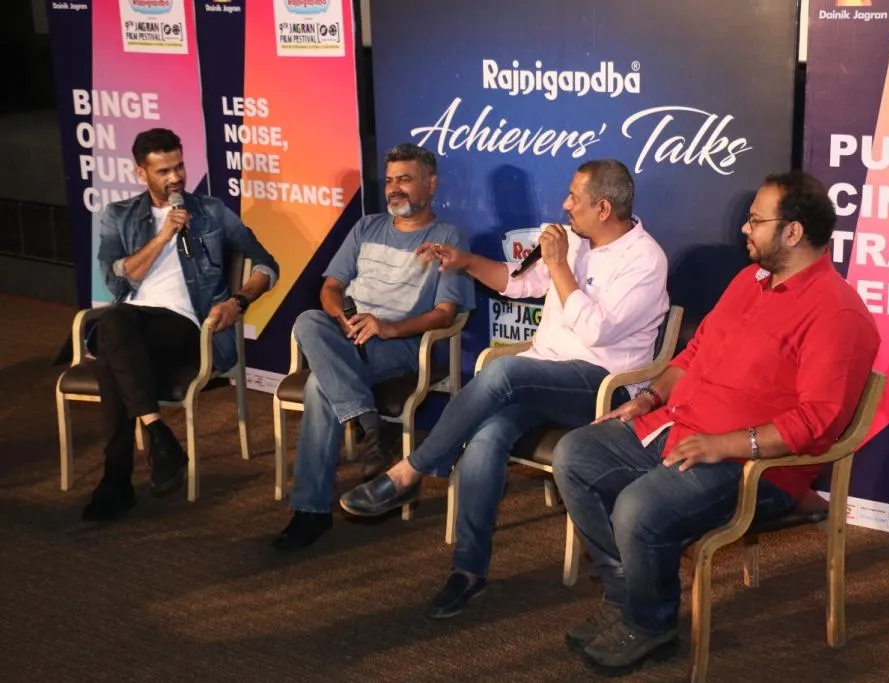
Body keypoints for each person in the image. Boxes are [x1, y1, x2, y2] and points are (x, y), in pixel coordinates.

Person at [550, 170, 881, 673]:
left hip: (757, 466)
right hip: (679, 427)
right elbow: (695, 351)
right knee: (575, 455)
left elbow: (817, 422)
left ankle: (651, 624)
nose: (744, 230)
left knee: (639, 506)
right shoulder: (749, 280)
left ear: (792, 232)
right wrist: (650, 397)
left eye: (755, 221)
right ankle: (625, 597)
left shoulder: (838, 313)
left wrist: (724, 445)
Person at [340, 159, 671, 619]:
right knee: (486, 438)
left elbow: (597, 333)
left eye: (574, 198)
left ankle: (409, 472)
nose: (564, 205)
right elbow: (518, 285)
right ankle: (468, 571)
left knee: (502, 372)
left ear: (604, 207)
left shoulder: (646, 260)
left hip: (603, 385)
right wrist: (467, 262)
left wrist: (560, 265)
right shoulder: (575, 238)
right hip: (545, 376)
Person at [272, 143, 476, 551]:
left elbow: (444, 314)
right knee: (308, 319)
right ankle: (369, 423)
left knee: (318, 387)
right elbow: (330, 287)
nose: (394, 189)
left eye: (405, 179)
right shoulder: (365, 227)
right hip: (348, 336)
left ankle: (311, 511)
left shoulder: (446, 237)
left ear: (430, 184)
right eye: (389, 181)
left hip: (397, 346)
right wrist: (342, 317)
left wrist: (387, 327)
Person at [85, 128, 279, 522]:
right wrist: (163, 235)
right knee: (115, 332)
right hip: (134, 326)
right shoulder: (117, 216)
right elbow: (117, 281)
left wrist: (238, 301)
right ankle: (151, 445)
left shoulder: (211, 211)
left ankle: (120, 476)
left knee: (111, 331)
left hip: (189, 327)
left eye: (179, 167)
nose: (175, 178)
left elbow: (266, 264)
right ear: (141, 173)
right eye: (163, 171)